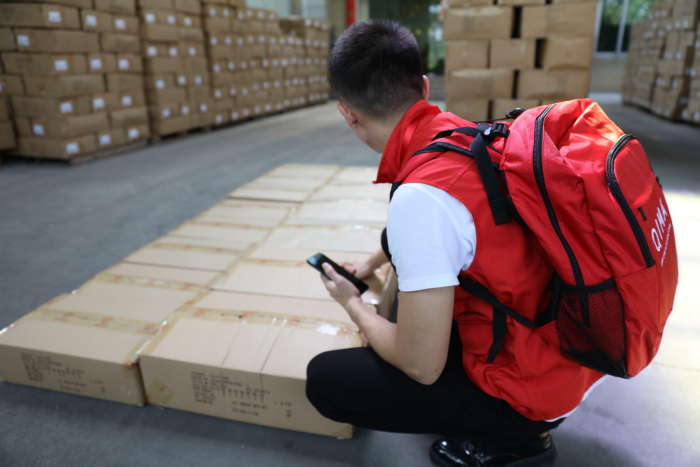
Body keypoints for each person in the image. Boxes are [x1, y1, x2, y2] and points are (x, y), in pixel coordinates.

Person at [306, 20, 604, 466]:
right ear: (424, 88)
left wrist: (352, 303)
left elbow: (420, 363)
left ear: (348, 113)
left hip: (531, 392)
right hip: (576, 349)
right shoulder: (463, 136)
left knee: (326, 380)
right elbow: (457, 221)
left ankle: (512, 442)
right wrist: (373, 261)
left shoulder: (420, 198)